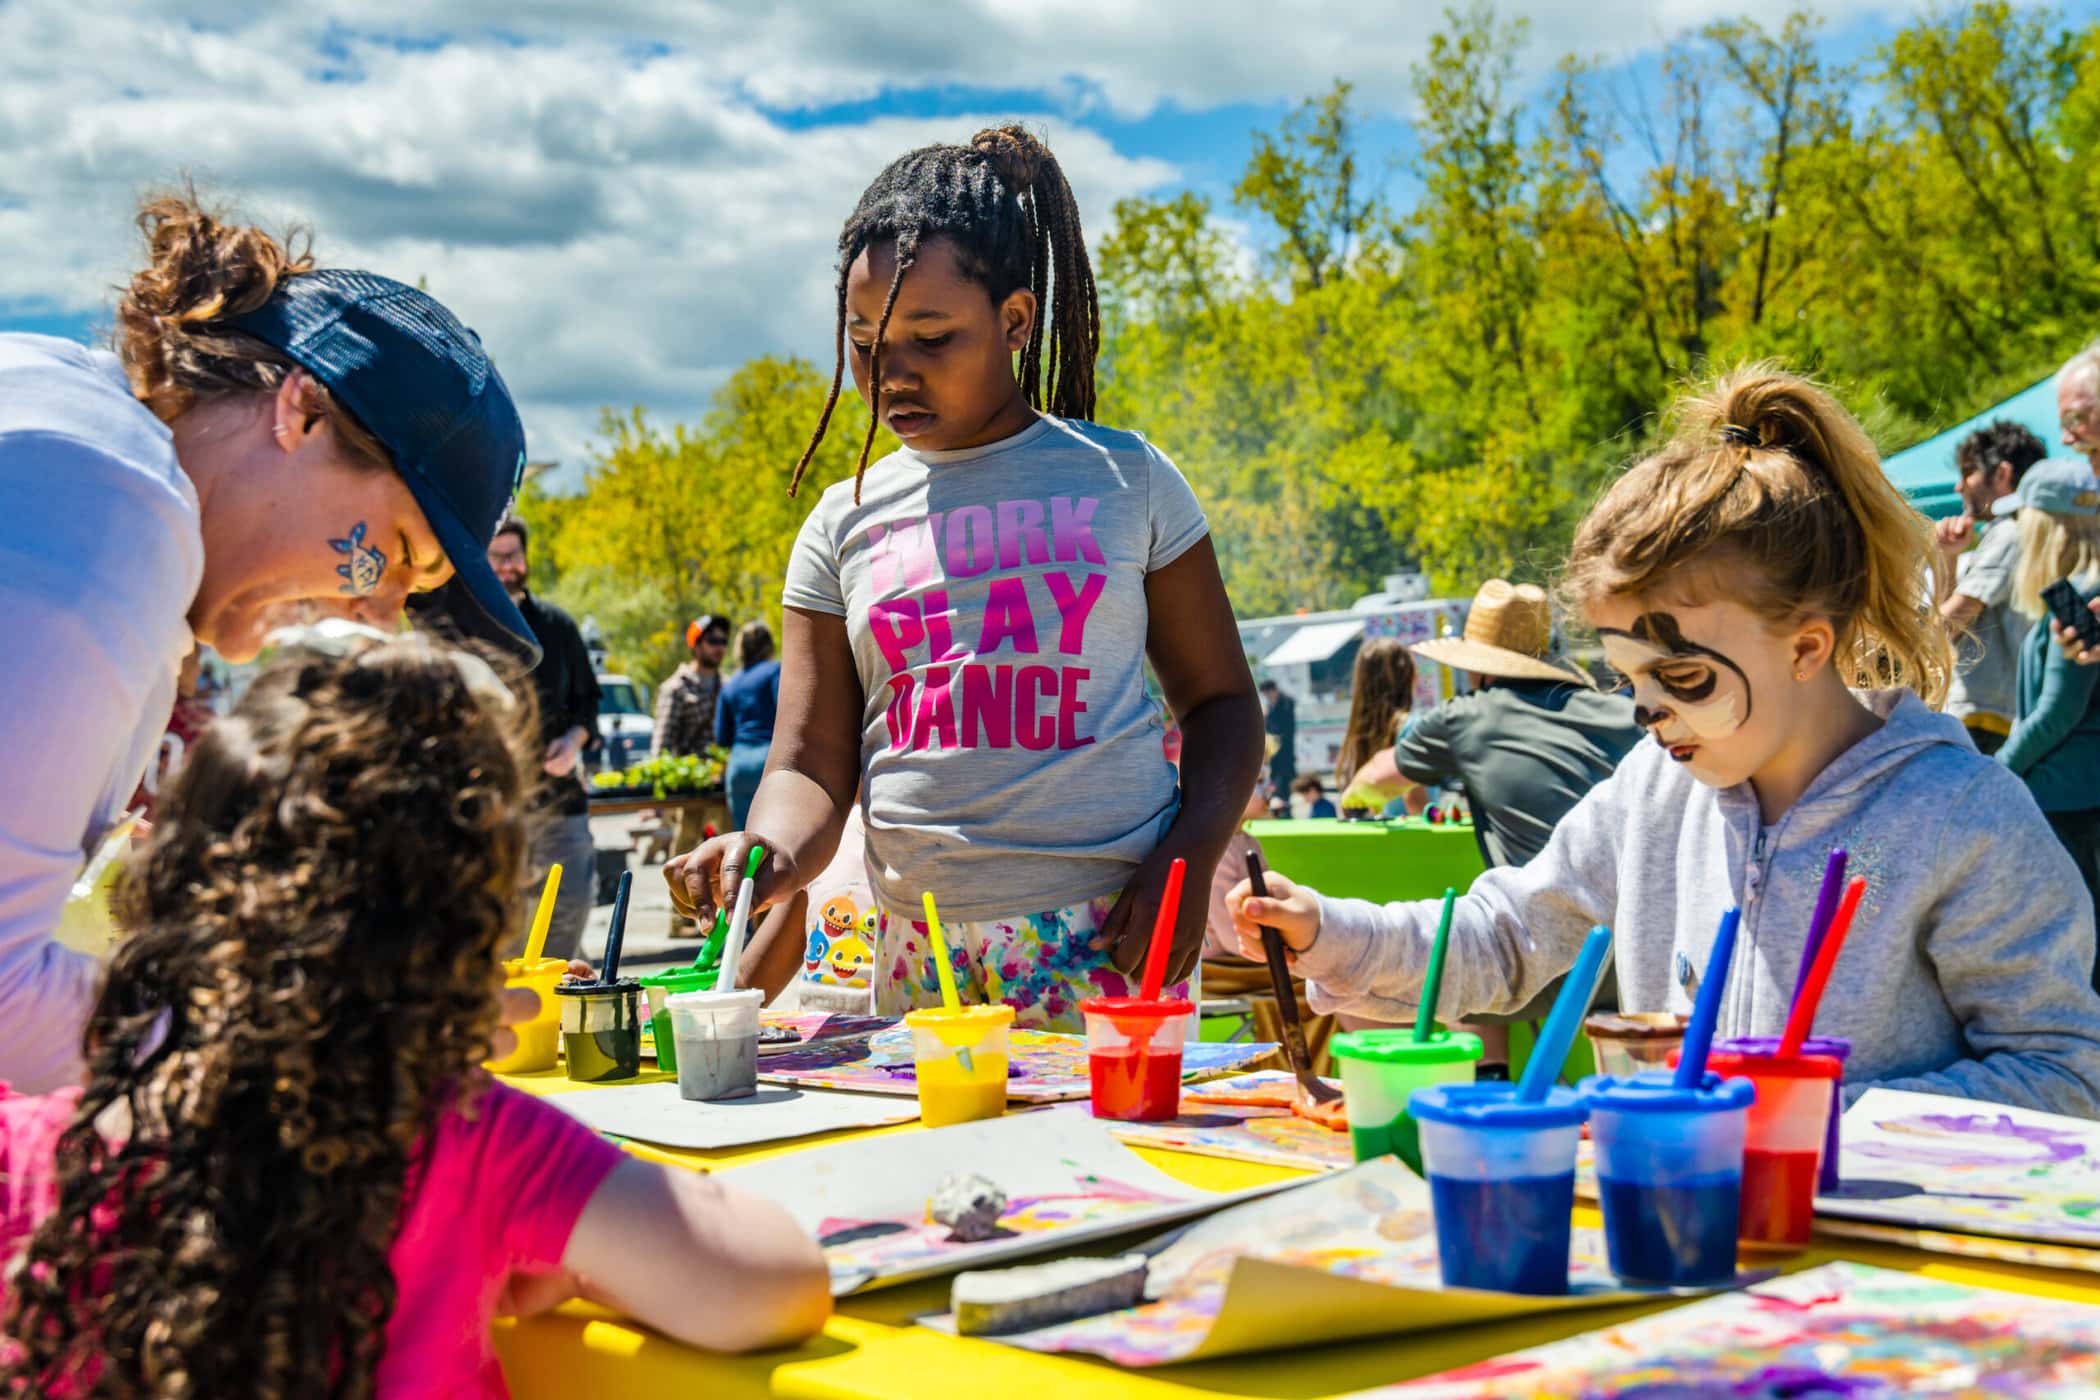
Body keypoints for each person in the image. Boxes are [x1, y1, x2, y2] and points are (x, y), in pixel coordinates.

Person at [1230, 365, 2100, 1116]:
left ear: (1806, 646)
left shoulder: (1960, 814)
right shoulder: (1656, 787)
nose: (1648, 713)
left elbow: (2065, 1076)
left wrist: (1809, 1116)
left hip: (1882, 1277)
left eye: (1680, 678)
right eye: (1627, 679)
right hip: (1684, 1246)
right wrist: (1333, 931)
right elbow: (1509, 937)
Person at [0, 636, 830, 1397]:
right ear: (460, 929)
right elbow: (775, 1282)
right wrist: (578, 1261)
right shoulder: (469, 1142)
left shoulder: (27, 1148)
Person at [667, 125, 1263, 1031]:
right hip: (919, 955)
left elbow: (1222, 705)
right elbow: (810, 762)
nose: (889, 374)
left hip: (1108, 941)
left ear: (1016, 321)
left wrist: (1186, 863)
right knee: (936, 1175)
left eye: (931, 338)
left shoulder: (1127, 480)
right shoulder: (841, 520)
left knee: (1105, 1176)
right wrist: (772, 846)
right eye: (864, 342)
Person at [0, 190, 540, 1094]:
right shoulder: (114, 495)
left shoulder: (69, 424)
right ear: (301, 412)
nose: (379, 612)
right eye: (399, 556)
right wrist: (343, 1056)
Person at [1345, 581, 1642, 870]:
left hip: (1543, 910)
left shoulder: (1464, 717)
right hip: (1636, 904)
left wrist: (1353, 797)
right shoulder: (1625, 714)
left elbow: (1375, 780)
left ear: (1477, 665)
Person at [1993, 458, 2100, 937]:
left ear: (2045, 526)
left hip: (2067, 804)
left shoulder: (2078, 595)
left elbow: (2057, 712)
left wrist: (1996, 772)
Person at [488, 516, 599, 960]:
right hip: (496, 808)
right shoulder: (467, 627)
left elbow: (589, 701)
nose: (506, 567)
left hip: (560, 802)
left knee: (570, 903)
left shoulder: (558, 625)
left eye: (513, 556)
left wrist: (573, 742)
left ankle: (553, 1002)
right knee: (505, 928)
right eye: (495, 557)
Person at [1937, 421, 2049, 754]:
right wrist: (1948, 558)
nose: (1959, 486)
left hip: (1985, 717)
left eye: (1968, 472)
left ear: (2001, 474)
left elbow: (1950, 622)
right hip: (1997, 714)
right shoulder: (2029, 530)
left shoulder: (2011, 532)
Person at [716, 620, 783, 830]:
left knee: (744, 839)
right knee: (776, 835)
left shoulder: (730, 685)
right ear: (769, 645)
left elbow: (722, 737)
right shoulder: (775, 672)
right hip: (769, 761)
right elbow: (786, 711)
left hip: (739, 767)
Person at [1261, 679, 1298, 797]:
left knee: (1285, 778)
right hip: (1274, 750)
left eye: (1268, 694)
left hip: (1285, 749)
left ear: (1274, 691)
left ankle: (1285, 804)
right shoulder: (1270, 705)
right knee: (1275, 777)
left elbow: (1285, 727)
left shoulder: (1286, 703)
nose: (1267, 697)